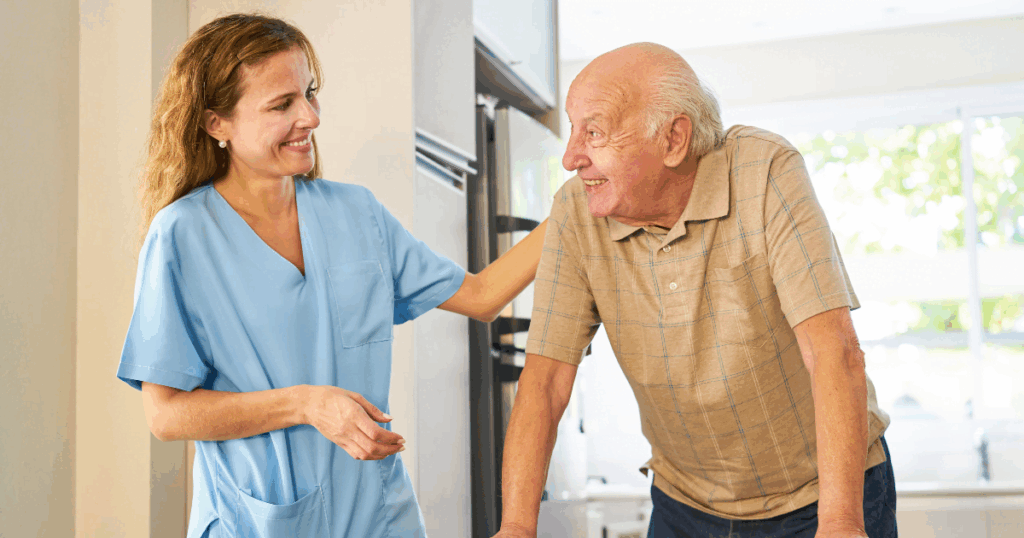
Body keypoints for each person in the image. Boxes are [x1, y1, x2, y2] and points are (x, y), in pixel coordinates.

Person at [116, 13, 546, 538]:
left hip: (379, 515)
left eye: (309, 94)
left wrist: (572, 210)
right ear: (216, 124)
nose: (311, 118)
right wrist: (306, 404)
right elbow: (166, 416)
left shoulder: (356, 213)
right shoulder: (182, 236)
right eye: (282, 105)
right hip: (260, 521)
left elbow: (481, 297)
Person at [493, 43, 896, 538]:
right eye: (574, 130)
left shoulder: (764, 172)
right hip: (685, 503)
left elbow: (833, 350)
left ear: (673, 139)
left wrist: (839, 523)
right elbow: (546, 379)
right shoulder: (577, 212)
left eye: (594, 132)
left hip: (821, 494)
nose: (572, 157)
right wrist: (515, 526)